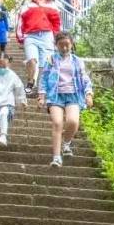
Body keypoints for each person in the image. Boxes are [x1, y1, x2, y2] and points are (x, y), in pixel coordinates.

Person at [38, 31, 93, 167]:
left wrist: (89, 94)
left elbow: (84, 78)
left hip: (73, 95)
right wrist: (41, 96)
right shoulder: (51, 59)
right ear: (56, 45)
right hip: (55, 95)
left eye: (67, 45)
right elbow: (44, 78)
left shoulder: (77, 61)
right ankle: (56, 158)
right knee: (57, 123)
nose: (64, 48)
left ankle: (66, 143)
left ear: (72, 44)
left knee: (73, 121)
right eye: (61, 45)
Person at [15, 0, 62, 96]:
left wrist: (57, 39)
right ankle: (30, 82)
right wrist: (21, 37)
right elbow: (21, 21)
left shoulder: (52, 5)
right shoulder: (28, 4)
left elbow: (57, 24)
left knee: (45, 64)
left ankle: (42, 88)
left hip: (47, 36)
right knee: (32, 60)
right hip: (30, 36)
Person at [0, 50, 27, 151]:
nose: (1, 67)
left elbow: (19, 88)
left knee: (3, 113)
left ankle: (3, 136)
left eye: (4, 64)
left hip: (7, 102)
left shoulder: (12, 75)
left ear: (9, 63)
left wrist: (22, 100)